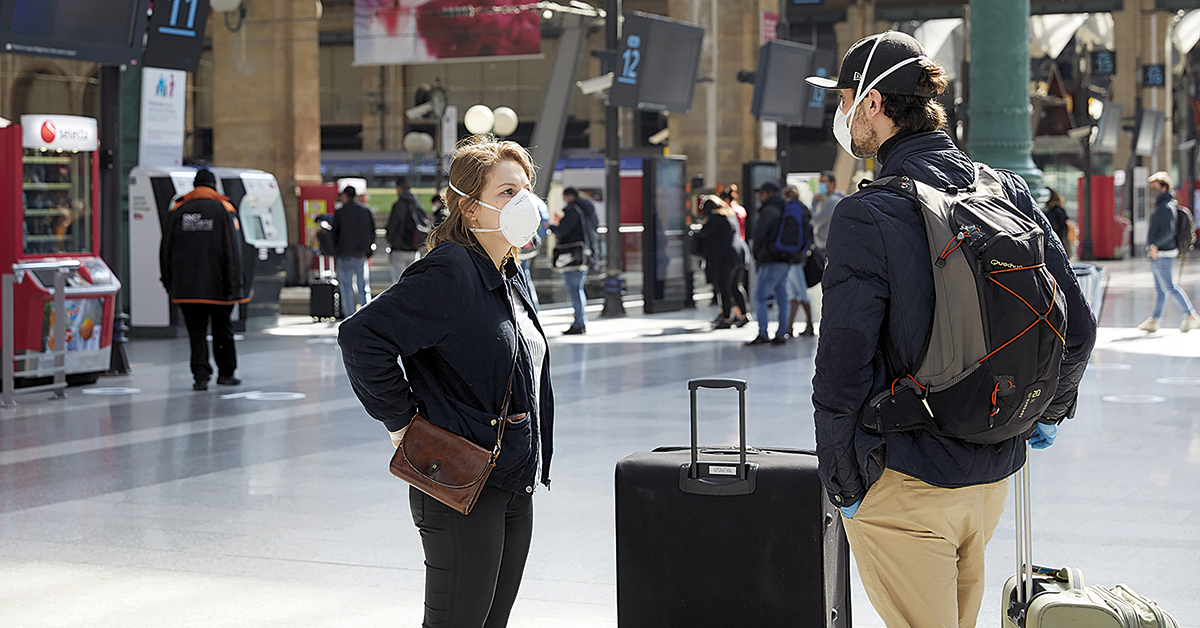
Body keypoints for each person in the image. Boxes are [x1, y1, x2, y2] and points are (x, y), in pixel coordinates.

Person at [804, 31, 1096, 627]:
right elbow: (1080, 327)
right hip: (990, 478)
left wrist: (845, 487)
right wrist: (1044, 414)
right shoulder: (1007, 190)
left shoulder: (868, 213)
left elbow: (842, 366)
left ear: (873, 105)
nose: (839, 114)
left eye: (842, 100)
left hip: (906, 483)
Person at [338, 137, 553, 628]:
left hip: (513, 477)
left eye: (525, 189)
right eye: (505, 192)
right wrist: (402, 422)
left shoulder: (509, 272)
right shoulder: (452, 270)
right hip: (462, 482)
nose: (523, 202)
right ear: (469, 208)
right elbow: (360, 336)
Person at [159, 169, 249, 391]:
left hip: (186, 287)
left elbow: (165, 248)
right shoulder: (224, 209)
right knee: (222, 330)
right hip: (219, 287)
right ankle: (226, 373)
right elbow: (233, 250)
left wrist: (170, 282)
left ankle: (200, 376)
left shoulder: (178, 210)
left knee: (196, 333)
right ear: (213, 185)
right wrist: (235, 284)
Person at [1138, 171, 1200, 333]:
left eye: (1155, 187)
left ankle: (1190, 315)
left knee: (1170, 287)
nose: (1152, 191)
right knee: (1161, 289)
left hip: (1163, 253)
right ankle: (1155, 320)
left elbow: (1168, 232)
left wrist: (1154, 246)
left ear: (1164, 188)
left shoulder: (1165, 207)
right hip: (1160, 252)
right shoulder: (1162, 205)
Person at [745, 180, 792, 346]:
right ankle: (781, 333)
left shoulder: (768, 211)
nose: (759, 196)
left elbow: (760, 235)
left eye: (762, 193)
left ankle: (763, 333)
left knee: (760, 296)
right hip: (785, 258)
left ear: (768, 194)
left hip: (770, 260)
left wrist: (757, 254)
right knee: (782, 298)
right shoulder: (785, 207)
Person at [693, 195, 750, 329]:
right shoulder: (730, 215)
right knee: (736, 286)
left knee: (724, 288)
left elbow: (703, 234)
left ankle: (726, 319)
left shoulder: (715, 218)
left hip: (725, 258)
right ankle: (744, 315)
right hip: (739, 255)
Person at [549, 187, 597, 335]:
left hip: (573, 257)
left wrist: (552, 227)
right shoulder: (587, 210)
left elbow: (564, 230)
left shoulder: (573, 210)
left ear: (568, 196)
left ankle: (578, 323)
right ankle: (580, 322)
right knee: (578, 289)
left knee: (575, 290)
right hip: (585, 254)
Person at [331, 186, 375, 316]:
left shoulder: (340, 213)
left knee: (346, 288)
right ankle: (366, 315)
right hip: (361, 255)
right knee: (363, 287)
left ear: (345, 196)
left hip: (344, 254)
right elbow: (372, 232)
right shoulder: (365, 211)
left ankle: (349, 316)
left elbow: (334, 235)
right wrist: (368, 250)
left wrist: (336, 252)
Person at [782, 186, 815, 337]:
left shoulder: (787, 208)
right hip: (801, 254)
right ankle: (790, 327)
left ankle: (809, 325)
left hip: (790, 255)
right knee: (795, 292)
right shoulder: (803, 208)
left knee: (799, 292)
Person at [384, 177, 428, 283]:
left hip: (399, 249)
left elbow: (392, 226)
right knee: (412, 282)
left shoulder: (398, 205)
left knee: (398, 283)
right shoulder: (416, 204)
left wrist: (390, 240)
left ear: (399, 189)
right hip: (414, 248)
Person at [811, 170, 844, 254]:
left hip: (827, 247)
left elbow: (816, 221)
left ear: (832, 184)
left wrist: (814, 203)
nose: (821, 185)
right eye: (820, 183)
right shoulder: (834, 199)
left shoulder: (832, 200)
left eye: (823, 182)